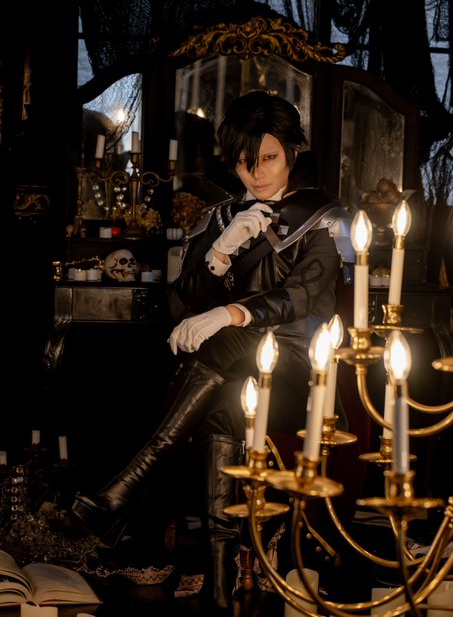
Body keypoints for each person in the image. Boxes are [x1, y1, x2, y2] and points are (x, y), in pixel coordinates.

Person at [70, 90, 354, 613]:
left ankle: (127, 485)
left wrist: (229, 313)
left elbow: (302, 297)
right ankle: (221, 588)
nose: (257, 173)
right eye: (245, 162)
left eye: (269, 158)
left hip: (297, 373)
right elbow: (179, 304)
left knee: (225, 350)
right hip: (224, 378)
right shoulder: (218, 218)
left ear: (293, 151)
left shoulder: (323, 217)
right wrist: (221, 253)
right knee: (222, 403)